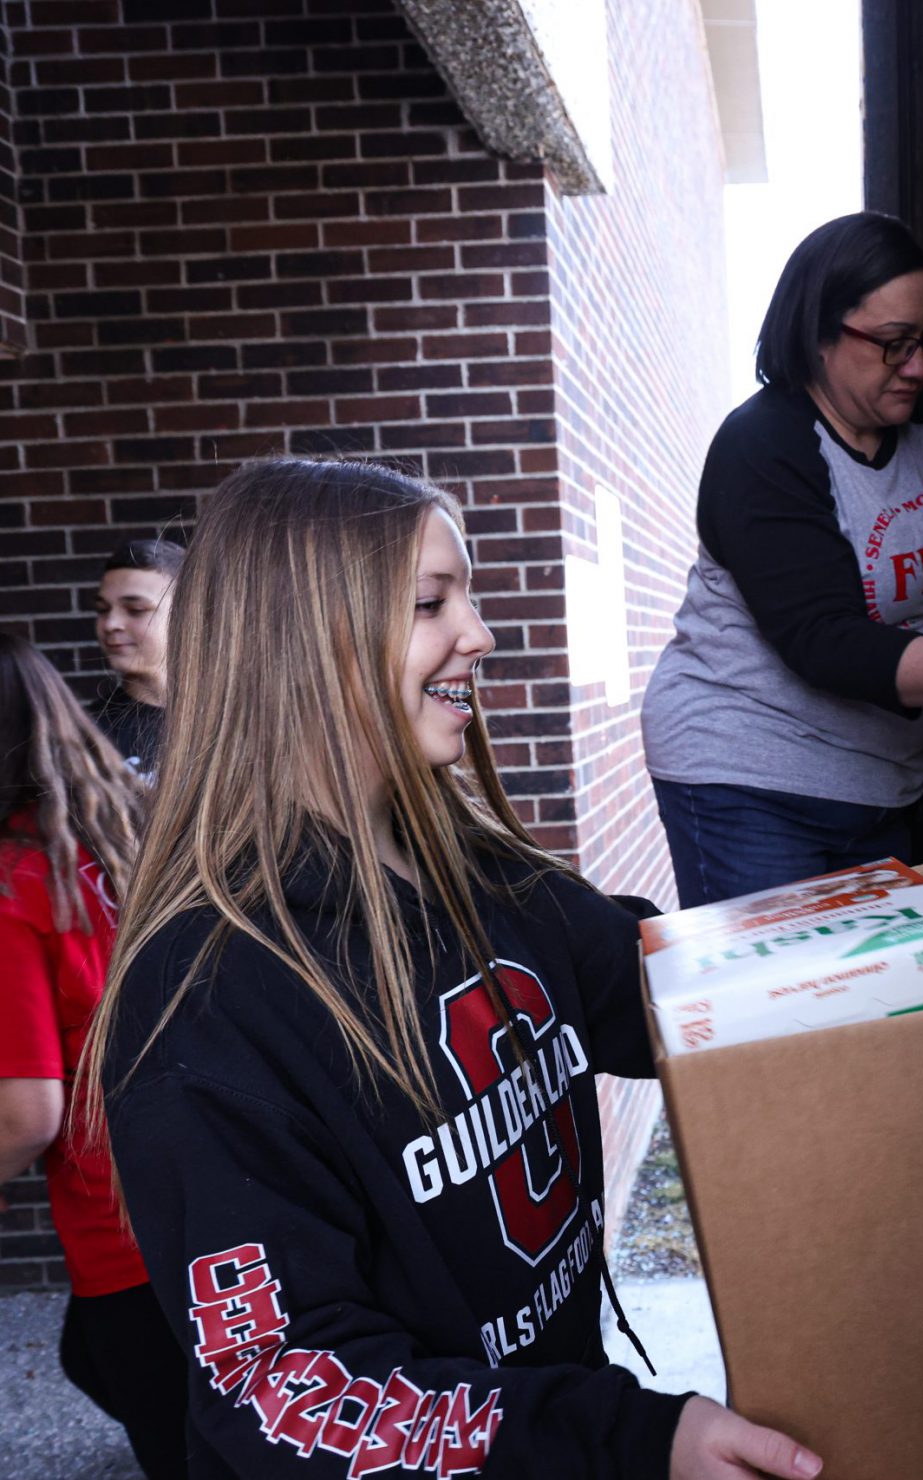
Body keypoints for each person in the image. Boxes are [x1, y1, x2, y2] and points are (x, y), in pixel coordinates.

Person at [80, 459, 822, 1480]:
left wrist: (921, 951)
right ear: (305, 641)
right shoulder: (204, 1002)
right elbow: (290, 1390)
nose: (478, 633)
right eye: (432, 603)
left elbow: (663, 991)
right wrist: (626, 1439)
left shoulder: (478, 873)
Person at [641, 211, 923, 906]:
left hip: (885, 779)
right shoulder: (760, 446)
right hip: (749, 774)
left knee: (882, 1004)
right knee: (787, 1006)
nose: (917, 367)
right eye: (892, 344)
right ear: (819, 334)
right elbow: (823, 641)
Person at [0, 633, 190, 1478]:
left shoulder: (14, 884)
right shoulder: (134, 818)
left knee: (184, 1442)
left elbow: (25, 1115)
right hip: (214, 1170)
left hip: (122, 1221)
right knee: (90, 1356)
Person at [89, 536, 184, 779]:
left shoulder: (232, 718)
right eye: (103, 610)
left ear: (186, 613)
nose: (110, 624)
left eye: (136, 610)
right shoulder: (85, 734)